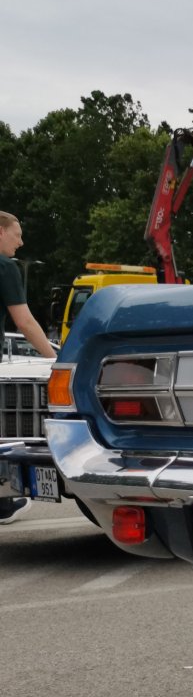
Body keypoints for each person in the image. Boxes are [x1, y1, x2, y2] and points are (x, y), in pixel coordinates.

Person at [0, 211, 55, 525]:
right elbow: (25, 322)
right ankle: (3, 505)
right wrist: (55, 359)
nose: (20, 242)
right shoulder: (5, 267)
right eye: (16, 234)